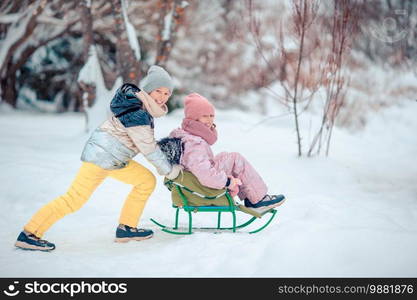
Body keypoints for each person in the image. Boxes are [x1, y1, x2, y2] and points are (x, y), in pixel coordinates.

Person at [15, 65, 182, 252]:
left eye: (167, 93)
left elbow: (145, 143)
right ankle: (29, 234)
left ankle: (127, 228)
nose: (162, 96)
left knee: (145, 181)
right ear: (147, 90)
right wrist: (170, 170)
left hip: (114, 159)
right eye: (158, 91)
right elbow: (148, 148)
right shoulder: (138, 113)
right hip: (102, 158)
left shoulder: (141, 107)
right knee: (74, 199)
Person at [167, 92, 285, 209]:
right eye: (204, 116)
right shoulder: (193, 144)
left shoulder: (190, 137)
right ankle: (257, 199)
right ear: (194, 118)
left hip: (197, 179)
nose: (209, 120)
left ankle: (252, 197)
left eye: (211, 115)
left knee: (227, 156)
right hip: (201, 185)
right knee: (236, 159)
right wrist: (227, 182)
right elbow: (205, 175)